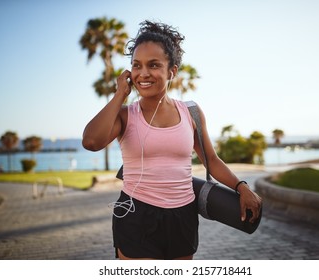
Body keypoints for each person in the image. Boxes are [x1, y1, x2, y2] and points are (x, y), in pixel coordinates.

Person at [82, 20, 262, 260]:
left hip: (183, 216)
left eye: (153, 65)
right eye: (137, 65)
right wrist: (119, 95)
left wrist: (242, 187)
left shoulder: (191, 112)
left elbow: (211, 160)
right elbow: (91, 141)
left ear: (172, 71)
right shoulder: (125, 115)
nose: (143, 73)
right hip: (137, 215)